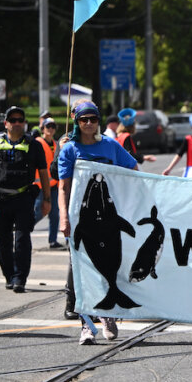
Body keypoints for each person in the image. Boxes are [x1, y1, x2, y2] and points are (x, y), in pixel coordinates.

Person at [57, 101, 139, 343]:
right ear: (77, 122)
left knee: (108, 267)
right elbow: (63, 187)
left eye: (93, 119)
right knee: (80, 271)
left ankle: (108, 314)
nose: (89, 123)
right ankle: (86, 323)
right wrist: (63, 217)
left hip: (109, 219)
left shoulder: (111, 146)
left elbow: (133, 168)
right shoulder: (70, 150)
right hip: (80, 218)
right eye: (84, 120)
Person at [0, 106, 51, 292]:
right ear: (6, 123)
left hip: (23, 198)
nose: (17, 123)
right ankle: (9, 276)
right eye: (13, 120)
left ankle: (20, 278)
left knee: (22, 240)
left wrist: (47, 200)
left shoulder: (34, 144)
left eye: (21, 120)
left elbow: (44, 173)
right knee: (2, 240)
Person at [32, 117, 64, 249]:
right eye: (47, 126)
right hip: (40, 186)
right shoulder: (37, 143)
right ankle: (23, 229)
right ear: (42, 129)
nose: (50, 129)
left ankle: (53, 241)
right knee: (39, 212)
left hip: (54, 185)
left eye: (52, 126)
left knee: (55, 214)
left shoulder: (57, 144)